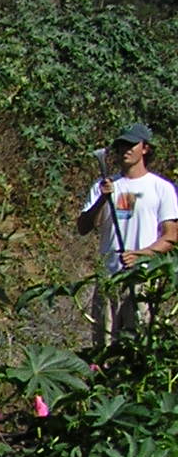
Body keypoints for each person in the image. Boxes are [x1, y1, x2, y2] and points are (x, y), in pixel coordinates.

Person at [75, 122, 178, 344]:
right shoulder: (103, 186)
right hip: (109, 278)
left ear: (145, 148)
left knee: (137, 343)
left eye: (132, 144)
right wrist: (103, 198)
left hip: (142, 278)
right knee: (104, 345)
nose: (126, 150)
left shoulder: (161, 188)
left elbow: (170, 237)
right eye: (122, 145)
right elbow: (83, 227)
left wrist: (141, 254)